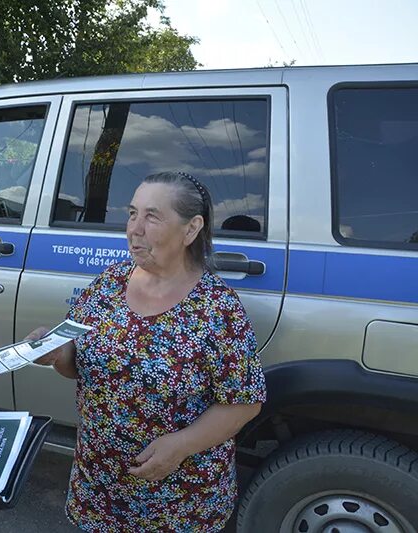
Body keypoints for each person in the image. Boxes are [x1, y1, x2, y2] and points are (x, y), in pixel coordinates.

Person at [29, 171, 267, 532]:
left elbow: (245, 401)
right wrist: (56, 354)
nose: (134, 229)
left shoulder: (219, 309)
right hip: (100, 484)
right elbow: (77, 364)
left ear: (191, 229)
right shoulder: (109, 283)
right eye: (132, 213)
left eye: (152, 216)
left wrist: (182, 444)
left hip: (180, 498)